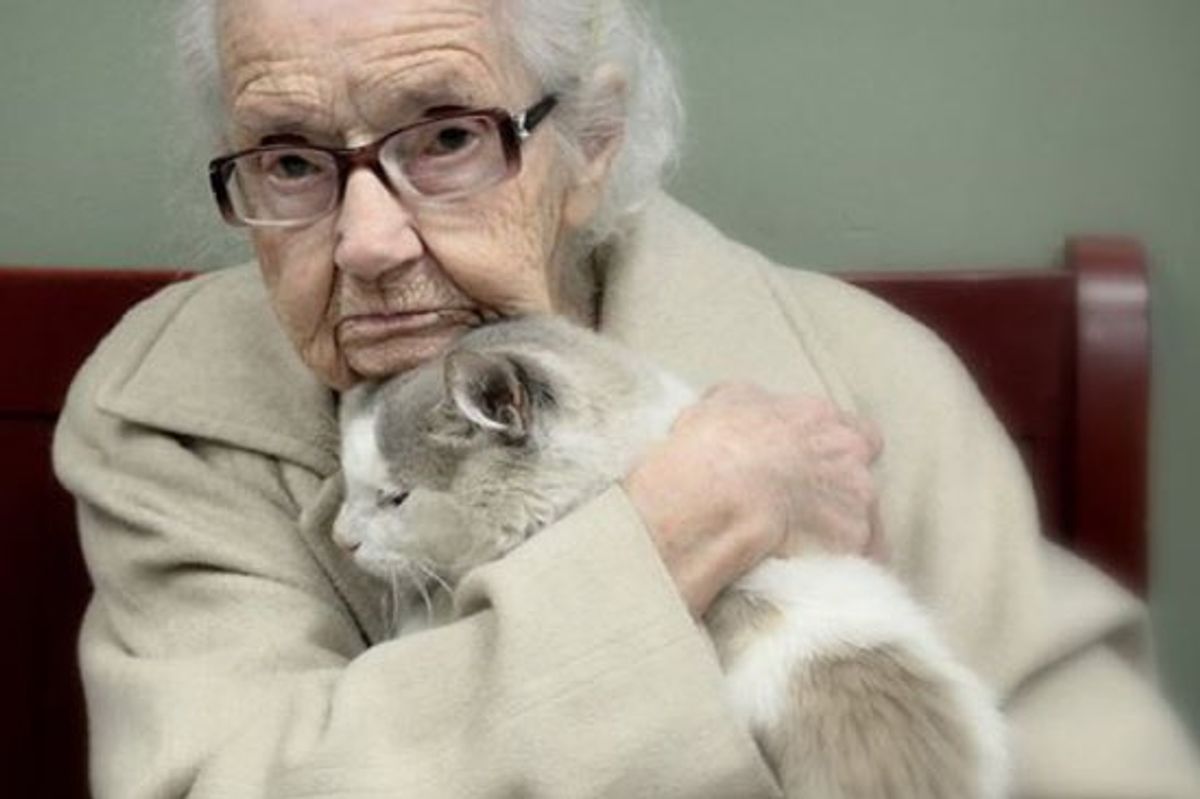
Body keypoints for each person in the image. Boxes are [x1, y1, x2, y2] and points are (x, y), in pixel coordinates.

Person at [53, 0, 1199, 796]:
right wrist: (663, 540)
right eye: (292, 161)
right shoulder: (167, 417)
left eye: (449, 137)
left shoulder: (867, 376)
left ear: (590, 145)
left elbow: (1099, 766)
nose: (365, 240)